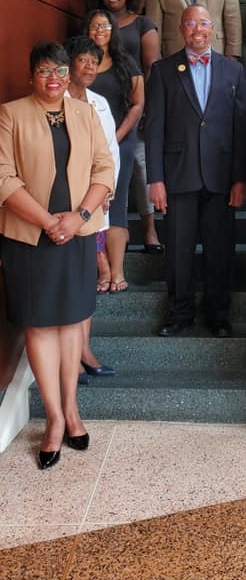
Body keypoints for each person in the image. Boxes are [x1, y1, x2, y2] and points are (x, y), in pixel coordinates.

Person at [0, 42, 114, 469]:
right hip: (30, 238)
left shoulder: (85, 114)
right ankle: (51, 419)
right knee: (40, 325)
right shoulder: (10, 114)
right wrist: (49, 221)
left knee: (71, 325)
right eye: (46, 70)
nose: (55, 77)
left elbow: (104, 169)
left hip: (78, 234)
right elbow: (3, 178)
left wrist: (79, 215)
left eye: (61, 71)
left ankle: (72, 411)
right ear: (32, 74)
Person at [145, 5, 246, 337]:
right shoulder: (163, 70)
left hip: (221, 177)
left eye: (204, 22)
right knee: (178, 250)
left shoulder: (233, 71)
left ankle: (218, 314)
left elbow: (241, 128)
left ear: (214, 28)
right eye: (191, 23)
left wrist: (239, 178)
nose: (198, 29)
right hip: (178, 175)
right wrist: (155, 179)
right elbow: (154, 128)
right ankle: (179, 313)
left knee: (220, 250)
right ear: (181, 28)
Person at [64, 35, 120, 382]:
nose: (88, 67)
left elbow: (110, 150)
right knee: (71, 279)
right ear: (69, 64)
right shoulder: (59, 99)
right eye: (82, 60)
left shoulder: (99, 102)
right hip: (66, 205)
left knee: (86, 281)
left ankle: (83, 349)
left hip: (95, 203)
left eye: (93, 62)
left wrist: (107, 189)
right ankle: (73, 355)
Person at [95, 0, 162, 254]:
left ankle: (150, 230)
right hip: (101, 110)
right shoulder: (95, 25)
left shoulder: (143, 23)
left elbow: (151, 67)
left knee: (140, 169)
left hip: (135, 106)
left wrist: (147, 106)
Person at [83, 10, 144, 292]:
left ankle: (117, 271)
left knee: (116, 205)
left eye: (105, 25)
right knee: (91, 203)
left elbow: (137, 104)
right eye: (94, 26)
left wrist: (116, 136)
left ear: (113, 30)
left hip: (120, 140)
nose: (99, 30)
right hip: (85, 146)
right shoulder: (81, 64)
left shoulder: (125, 62)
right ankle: (101, 267)